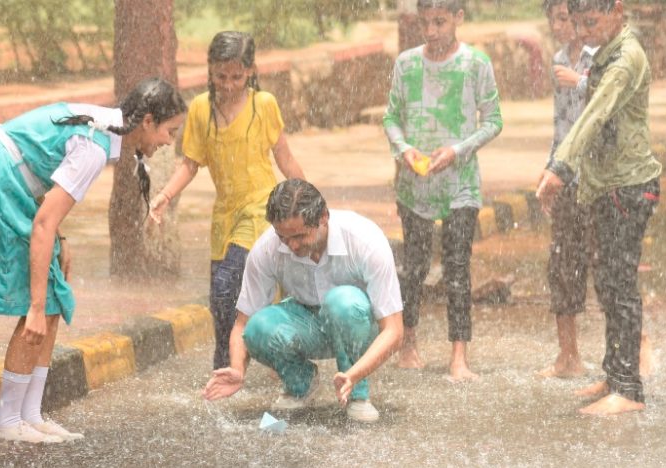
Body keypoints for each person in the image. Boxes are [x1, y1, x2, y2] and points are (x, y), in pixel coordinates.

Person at [0, 78, 187, 442]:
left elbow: (37, 170)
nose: (168, 142)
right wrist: (35, 306)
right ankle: (8, 422)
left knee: (52, 294)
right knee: (39, 302)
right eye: (169, 131)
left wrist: (61, 239)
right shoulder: (94, 148)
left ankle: (30, 415)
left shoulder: (102, 124)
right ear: (147, 121)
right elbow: (43, 223)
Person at [148, 31, 305, 371]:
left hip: (262, 208)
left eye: (237, 76)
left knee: (229, 280)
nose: (229, 84)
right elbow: (190, 164)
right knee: (220, 302)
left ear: (250, 71)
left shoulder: (264, 105)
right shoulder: (202, 109)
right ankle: (226, 367)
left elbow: (284, 157)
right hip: (224, 217)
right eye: (221, 76)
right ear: (211, 71)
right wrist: (163, 195)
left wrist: (309, 200)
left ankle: (243, 362)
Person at [537, 0, 661, 415]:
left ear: (617, 11)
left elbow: (593, 114)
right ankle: (614, 375)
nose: (584, 31)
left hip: (629, 187)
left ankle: (628, 389)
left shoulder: (625, 58)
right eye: (578, 23)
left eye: (591, 22)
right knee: (607, 282)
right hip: (608, 187)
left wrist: (559, 167)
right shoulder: (606, 51)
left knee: (620, 286)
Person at [201, 179, 404, 423]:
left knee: (342, 302)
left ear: (323, 218)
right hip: (307, 323)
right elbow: (243, 324)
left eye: (299, 236)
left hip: (359, 324)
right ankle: (301, 383)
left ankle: (357, 395)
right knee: (258, 326)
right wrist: (237, 368)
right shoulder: (267, 247)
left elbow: (394, 331)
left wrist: (355, 374)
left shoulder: (365, 240)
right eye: (284, 237)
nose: (292, 245)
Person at [382, 0, 503, 381]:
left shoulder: (475, 64)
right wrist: (403, 150)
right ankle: (409, 343)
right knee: (414, 267)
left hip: (460, 184)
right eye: (426, 23)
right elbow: (391, 117)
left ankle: (459, 357)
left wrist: (458, 150)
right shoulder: (406, 63)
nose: (432, 31)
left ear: (458, 18)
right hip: (414, 184)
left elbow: (494, 121)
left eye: (440, 22)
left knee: (457, 268)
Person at [538, 0, 598, 378]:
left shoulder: (599, 55)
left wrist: (580, 82)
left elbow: (609, 103)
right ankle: (568, 357)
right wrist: (549, 168)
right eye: (553, 19)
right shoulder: (560, 57)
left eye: (563, 17)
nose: (558, 25)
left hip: (599, 179)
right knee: (562, 264)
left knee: (606, 266)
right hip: (566, 177)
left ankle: (632, 351)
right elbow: (561, 123)